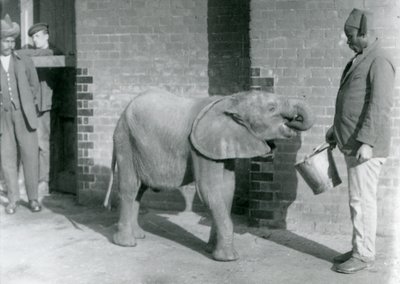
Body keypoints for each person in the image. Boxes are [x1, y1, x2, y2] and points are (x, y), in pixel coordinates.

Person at [326, 9, 395, 274]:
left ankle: (364, 254)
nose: (347, 41)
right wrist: (335, 129)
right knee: (357, 198)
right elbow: (351, 102)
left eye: (350, 36)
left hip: (365, 146)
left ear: (365, 33)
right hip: (353, 142)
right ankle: (359, 247)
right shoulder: (361, 58)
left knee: (362, 200)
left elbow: (380, 106)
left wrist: (366, 141)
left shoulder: (380, 60)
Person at [0, 14, 41, 214]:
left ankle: (33, 199)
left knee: (31, 156)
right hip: (3, 118)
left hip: (24, 116)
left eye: (12, 40)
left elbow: (34, 85)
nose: (10, 44)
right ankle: (13, 200)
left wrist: (26, 104)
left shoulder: (23, 59)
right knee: (7, 159)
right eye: (6, 40)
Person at [26, 22, 62, 194]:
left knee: (44, 144)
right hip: (33, 104)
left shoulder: (55, 52)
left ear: (47, 36)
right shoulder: (31, 53)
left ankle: (45, 182)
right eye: (33, 37)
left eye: (38, 36)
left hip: (48, 105)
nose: (34, 39)